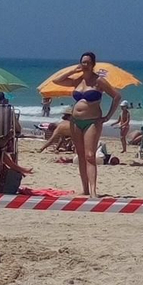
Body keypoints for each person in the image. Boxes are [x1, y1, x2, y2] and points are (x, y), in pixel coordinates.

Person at [59, 52, 121, 197]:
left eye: (87, 62)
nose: (84, 65)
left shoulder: (99, 81)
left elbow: (116, 96)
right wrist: (73, 70)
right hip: (75, 121)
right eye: (83, 62)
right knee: (80, 155)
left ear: (93, 64)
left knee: (90, 155)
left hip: (92, 121)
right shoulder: (78, 80)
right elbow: (58, 81)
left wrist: (107, 116)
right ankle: (85, 189)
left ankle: (93, 191)